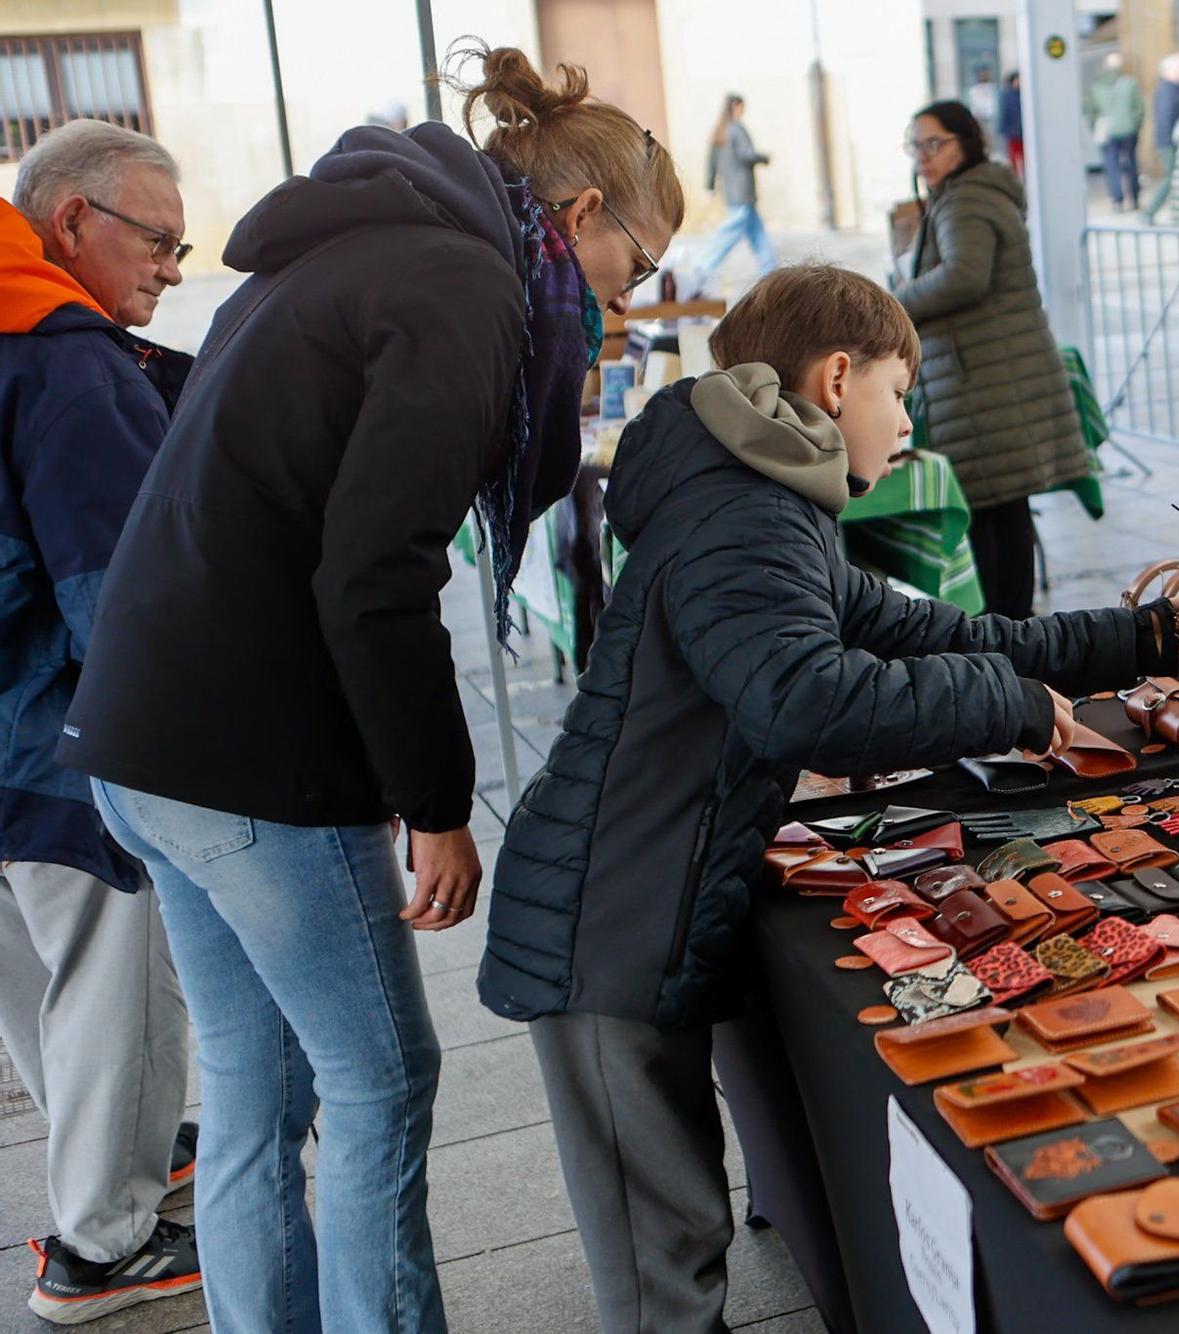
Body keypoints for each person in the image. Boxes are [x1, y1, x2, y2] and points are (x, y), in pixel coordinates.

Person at [60, 46, 683, 1333]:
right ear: (580, 216)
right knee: (381, 1080)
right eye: (635, 266)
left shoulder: (358, 243)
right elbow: (375, 574)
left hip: (142, 730)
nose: (627, 302)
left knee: (256, 1088)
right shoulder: (464, 284)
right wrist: (437, 801)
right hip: (244, 751)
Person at [479, 261, 1179, 1334]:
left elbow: (929, 629)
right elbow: (804, 702)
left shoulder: (762, 501)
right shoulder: (745, 516)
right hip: (610, 920)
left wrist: (1140, 638)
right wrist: (1007, 705)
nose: (906, 419)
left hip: (638, 893)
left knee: (676, 1243)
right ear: (832, 378)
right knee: (663, 1271)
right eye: (897, 391)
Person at [0, 118, 202, 1328]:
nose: (171, 269)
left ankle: (116, 1149)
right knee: (108, 975)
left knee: (37, 980)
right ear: (72, 220)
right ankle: (104, 1240)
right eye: (160, 241)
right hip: (47, 733)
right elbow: (118, 596)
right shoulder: (62, 356)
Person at [893, 100, 1093, 618]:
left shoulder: (967, 200)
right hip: (987, 377)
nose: (922, 156)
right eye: (915, 145)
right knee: (1002, 507)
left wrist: (895, 301)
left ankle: (1005, 630)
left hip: (986, 383)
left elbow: (965, 275)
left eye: (933, 144)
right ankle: (1011, 629)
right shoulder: (967, 193)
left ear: (966, 142)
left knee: (992, 511)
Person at [694, 93, 776, 291]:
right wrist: (764, 158)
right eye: (742, 107)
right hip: (742, 191)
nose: (743, 111)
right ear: (735, 106)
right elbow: (746, 154)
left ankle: (770, 270)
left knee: (757, 233)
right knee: (729, 232)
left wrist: (710, 185)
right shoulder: (736, 129)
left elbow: (712, 161)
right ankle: (703, 266)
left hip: (732, 190)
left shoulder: (720, 131)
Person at [1087, 52, 1144, 210]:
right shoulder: (1130, 83)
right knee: (1131, 163)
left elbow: (1090, 110)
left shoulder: (1096, 86)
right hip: (1128, 129)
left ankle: (1117, 200)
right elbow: (1139, 108)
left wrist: (1095, 125)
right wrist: (1135, 124)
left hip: (1106, 130)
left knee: (1112, 166)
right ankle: (1134, 197)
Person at [1141, 53, 1179, 222]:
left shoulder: (1171, 88)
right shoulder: (1168, 89)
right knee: (1171, 178)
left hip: (1167, 140)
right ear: (1168, 71)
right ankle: (1148, 212)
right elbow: (1166, 118)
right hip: (1168, 142)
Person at [999, 70, 1025, 174]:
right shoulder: (1007, 96)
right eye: (1016, 80)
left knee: (1025, 155)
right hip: (1012, 132)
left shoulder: (1024, 94)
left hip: (1023, 132)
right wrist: (1005, 129)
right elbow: (1004, 114)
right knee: (1014, 156)